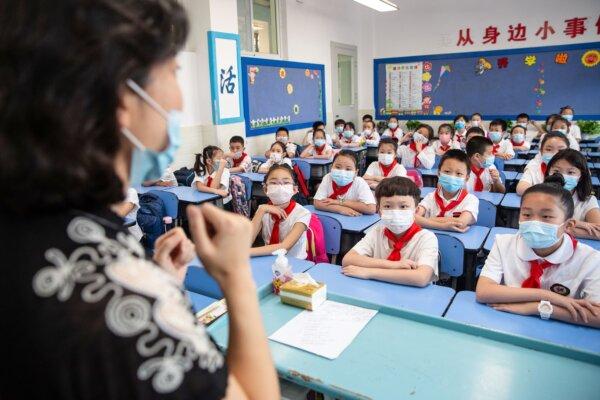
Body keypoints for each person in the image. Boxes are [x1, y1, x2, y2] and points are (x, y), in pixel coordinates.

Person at [0, 1, 279, 398]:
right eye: (173, 71)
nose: (180, 101)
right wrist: (236, 278)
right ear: (122, 99)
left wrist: (159, 282)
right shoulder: (119, 293)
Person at [476, 179, 600, 328]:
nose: (534, 222)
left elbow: (597, 315)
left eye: (546, 217)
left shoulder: (590, 259)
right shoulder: (503, 243)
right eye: (527, 215)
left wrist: (539, 308)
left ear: (568, 225)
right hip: (507, 324)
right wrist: (547, 296)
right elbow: (483, 292)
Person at [342, 177, 439, 287]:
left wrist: (369, 272)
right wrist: (393, 265)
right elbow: (348, 259)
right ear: (379, 211)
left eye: (403, 206)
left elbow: (421, 277)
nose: (396, 212)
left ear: (416, 210)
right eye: (387, 206)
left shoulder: (427, 238)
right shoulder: (377, 232)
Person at [250, 165, 311, 258]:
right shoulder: (263, 210)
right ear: (266, 189)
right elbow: (247, 241)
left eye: (286, 182)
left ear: (294, 189)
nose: (280, 187)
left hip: (294, 264)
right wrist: (260, 210)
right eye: (274, 183)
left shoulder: (302, 213)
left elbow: (284, 247)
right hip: (268, 259)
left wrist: (247, 252)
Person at [416, 150, 478, 232]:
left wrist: (426, 220)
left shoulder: (471, 199)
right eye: (447, 171)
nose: (452, 176)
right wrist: (443, 226)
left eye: (459, 173)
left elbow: (461, 222)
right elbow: (413, 217)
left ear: (466, 178)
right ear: (438, 173)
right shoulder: (430, 197)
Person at [545, 149, 600, 240]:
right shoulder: (539, 196)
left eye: (571, 172)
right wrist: (573, 226)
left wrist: (567, 228)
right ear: (548, 172)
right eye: (557, 171)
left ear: (581, 176)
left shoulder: (587, 201)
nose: (562, 176)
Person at [313, 150, 376, 216]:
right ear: (331, 167)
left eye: (348, 169)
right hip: (333, 217)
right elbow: (317, 203)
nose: (342, 172)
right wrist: (341, 209)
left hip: (354, 219)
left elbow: (371, 209)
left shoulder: (359, 182)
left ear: (356, 172)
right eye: (338, 167)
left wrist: (339, 202)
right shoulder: (328, 177)